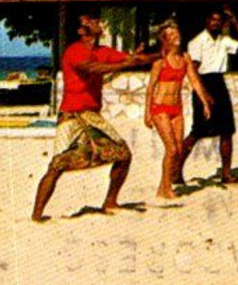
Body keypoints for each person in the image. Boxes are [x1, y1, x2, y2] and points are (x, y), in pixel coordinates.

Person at [32, 11, 152, 222]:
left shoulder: (103, 50)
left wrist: (163, 54)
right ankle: (37, 215)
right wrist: (125, 63)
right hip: (72, 115)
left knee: (123, 155)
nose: (98, 23)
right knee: (57, 165)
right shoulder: (74, 51)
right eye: (92, 20)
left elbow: (133, 59)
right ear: (81, 30)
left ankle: (110, 202)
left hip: (91, 115)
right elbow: (93, 68)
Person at [143, 19, 214, 201]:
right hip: (160, 107)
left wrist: (204, 101)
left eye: (177, 33)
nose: (176, 37)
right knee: (172, 149)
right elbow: (151, 88)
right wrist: (147, 113)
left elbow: (194, 80)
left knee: (179, 149)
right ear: (164, 40)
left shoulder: (185, 58)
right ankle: (167, 189)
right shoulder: (160, 61)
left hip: (177, 108)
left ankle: (162, 188)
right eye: (172, 35)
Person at [180, 6, 238, 185]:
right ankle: (175, 171)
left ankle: (226, 173)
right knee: (198, 131)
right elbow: (193, 70)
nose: (216, 23)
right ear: (207, 21)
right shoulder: (197, 42)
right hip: (203, 83)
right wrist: (204, 94)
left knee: (227, 130)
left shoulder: (224, 40)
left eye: (219, 20)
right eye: (213, 20)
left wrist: (235, 22)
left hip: (219, 83)